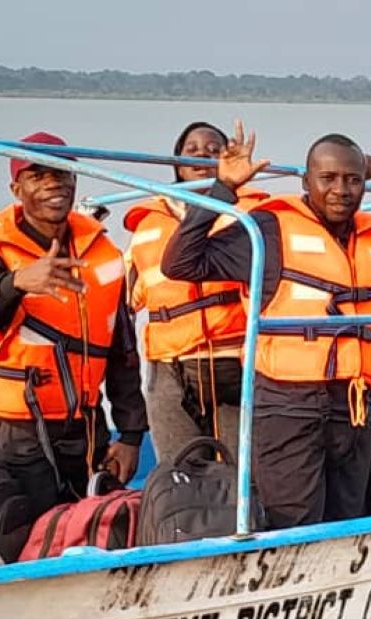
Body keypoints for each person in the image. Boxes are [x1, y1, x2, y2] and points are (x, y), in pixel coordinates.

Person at [160, 123, 371, 530]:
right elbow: (181, 263)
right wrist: (223, 189)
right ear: (307, 181)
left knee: (347, 520)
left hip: (354, 406)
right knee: (292, 521)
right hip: (286, 405)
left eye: (352, 180)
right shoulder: (269, 232)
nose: (341, 190)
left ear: (363, 185)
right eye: (328, 178)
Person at [0, 131, 146, 519]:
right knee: (36, 529)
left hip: (90, 426)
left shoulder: (102, 253)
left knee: (89, 525)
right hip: (24, 429)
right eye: (37, 175)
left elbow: (122, 352)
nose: (52, 184)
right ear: (16, 188)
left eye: (61, 174)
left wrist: (130, 435)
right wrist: (17, 283)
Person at [123, 121, 269, 464]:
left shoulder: (254, 214)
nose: (202, 155)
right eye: (192, 149)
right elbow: (127, 299)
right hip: (169, 365)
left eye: (213, 149)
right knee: (180, 472)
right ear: (176, 161)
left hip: (235, 361)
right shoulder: (150, 219)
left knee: (241, 470)